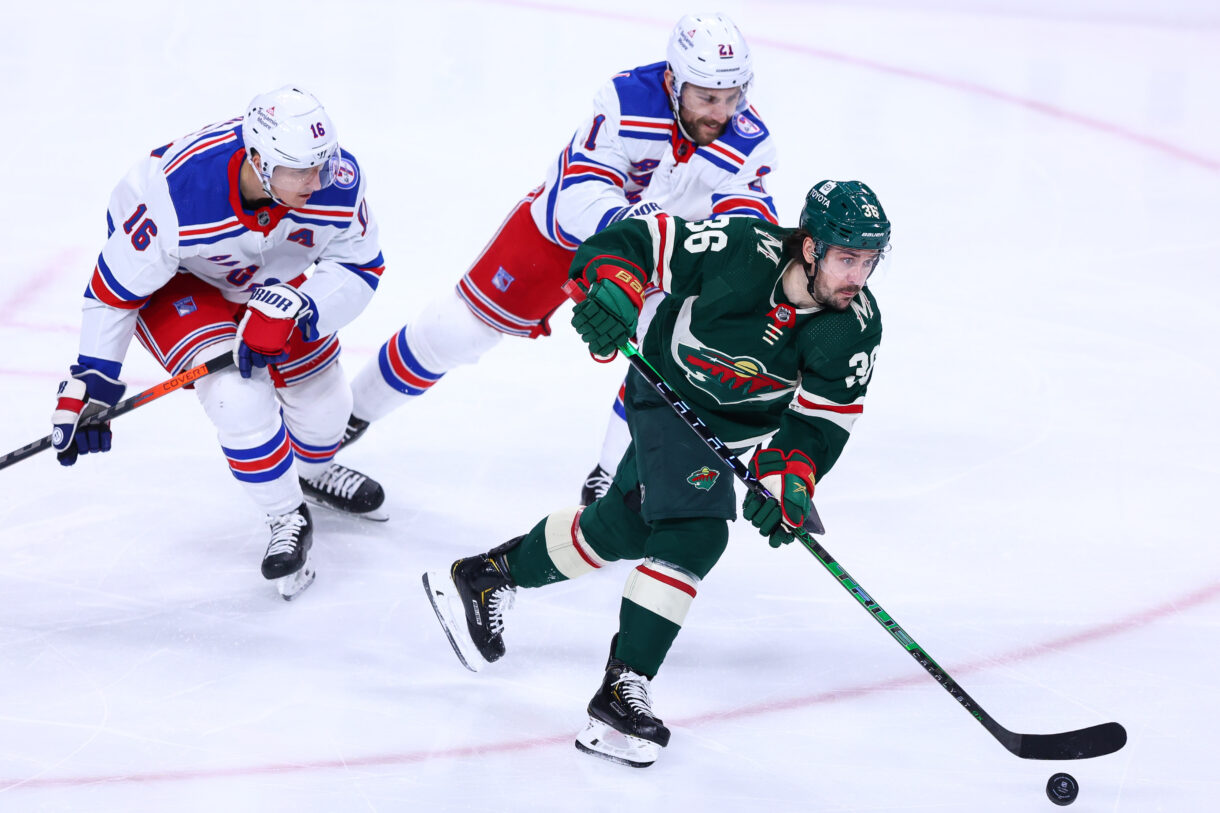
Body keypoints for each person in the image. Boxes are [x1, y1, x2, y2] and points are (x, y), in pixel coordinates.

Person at [422, 180, 892, 767]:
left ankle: (488, 575)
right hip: (667, 393)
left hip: (731, 437)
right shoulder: (742, 248)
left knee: (624, 527)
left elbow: (820, 422)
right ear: (809, 248)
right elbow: (634, 243)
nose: (858, 275)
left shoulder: (853, 327)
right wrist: (616, 287)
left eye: (870, 261)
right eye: (848, 258)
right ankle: (620, 693)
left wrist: (787, 480)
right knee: (695, 532)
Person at [344, 13, 778, 505]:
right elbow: (578, 196)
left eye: (732, 95)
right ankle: (348, 415)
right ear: (673, 80)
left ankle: (612, 476)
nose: (721, 112)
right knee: (457, 329)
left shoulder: (748, 139)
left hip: (658, 254)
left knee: (672, 347)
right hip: (566, 235)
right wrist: (637, 237)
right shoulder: (628, 100)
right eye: (706, 97)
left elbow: (745, 230)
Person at [50, 85, 388, 600]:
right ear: (257, 159)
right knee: (236, 397)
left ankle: (313, 470)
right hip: (182, 284)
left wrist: (303, 309)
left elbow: (360, 266)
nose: (319, 181)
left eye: (324, 163)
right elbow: (113, 292)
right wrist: (93, 382)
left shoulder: (336, 181)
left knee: (326, 412)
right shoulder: (176, 194)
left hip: (271, 280)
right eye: (302, 170)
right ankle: (286, 515)